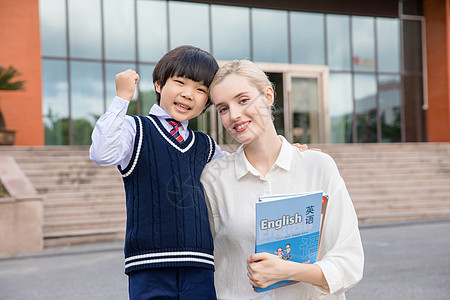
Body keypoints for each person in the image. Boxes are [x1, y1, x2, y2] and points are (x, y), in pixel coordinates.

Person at [200, 60, 364, 299]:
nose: (234, 115)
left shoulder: (318, 167)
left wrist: (288, 270)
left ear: (267, 96)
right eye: (223, 108)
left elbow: (349, 263)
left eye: (243, 100)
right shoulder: (214, 179)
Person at [90, 45, 228, 299]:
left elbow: (242, 169)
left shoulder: (206, 146)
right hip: (148, 265)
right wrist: (122, 98)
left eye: (200, 90)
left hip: (200, 265)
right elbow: (102, 153)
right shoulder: (136, 129)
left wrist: (282, 150)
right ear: (158, 84)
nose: (188, 94)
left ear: (207, 102)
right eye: (180, 83)